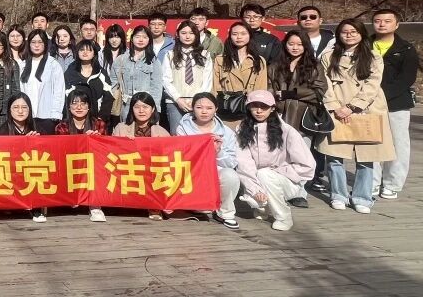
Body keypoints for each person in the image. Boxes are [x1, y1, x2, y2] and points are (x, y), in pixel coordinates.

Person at [319, 19, 395, 214]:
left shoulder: (373, 56)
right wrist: (336, 107)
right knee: (334, 155)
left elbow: (373, 84)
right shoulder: (328, 56)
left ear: (361, 34)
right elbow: (323, 83)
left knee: (366, 157)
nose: (349, 35)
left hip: (366, 109)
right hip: (336, 109)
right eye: (345, 32)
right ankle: (338, 195)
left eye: (354, 32)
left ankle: (362, 197)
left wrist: (352, 107)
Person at [236, 90, 316, 231]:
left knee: (265, 174)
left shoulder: (287, 131)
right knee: (257, 182)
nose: (259, 111)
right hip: (257, 179)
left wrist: (278, 171)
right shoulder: (242, 129)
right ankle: (264, 206)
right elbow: (244, 163)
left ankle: (284, 217)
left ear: (272, 108)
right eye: (254, 106)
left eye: (264, 107)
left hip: (287, 180)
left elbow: (307, 165)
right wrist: (255, 190)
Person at [267, 30, 327, 200]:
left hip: (302, 115)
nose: (295, 47)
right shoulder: (275, 66)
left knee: (301, 156)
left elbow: (319, 91)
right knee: (279, 155)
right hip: (279, 114)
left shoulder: (314, 66)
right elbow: (269, 87)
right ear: (285, 45)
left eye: (300, 44)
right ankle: (281, 190)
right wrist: (275, 99)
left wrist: (292, 94)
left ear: (306, 46)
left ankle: (299, 193)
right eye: (291, 44)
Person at [173, 93, 242, 229]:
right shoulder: (182, 128)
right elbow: (181, 155)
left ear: (216, 109)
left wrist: (218, 152)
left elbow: (232, 163)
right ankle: (196, 204)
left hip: (216, 169)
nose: (204, 111)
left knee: (230, 176)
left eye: (209, 108)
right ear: (192, 108)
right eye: (199, 107)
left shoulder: (226, 132)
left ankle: (225, 213)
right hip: (192, 169)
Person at [372, 8, 418, 200]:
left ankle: (392, 184)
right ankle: (371, 182)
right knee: (371, 143)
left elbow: (407, 78)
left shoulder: (406, 49)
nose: (382, 24)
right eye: (377, 21)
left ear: (397, 24)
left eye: (387, 21)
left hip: (396, 103)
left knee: (399, 144)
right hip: (368, 103)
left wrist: (384, 95)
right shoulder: (364, 46)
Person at [112, 92, 169, 220]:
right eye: (137, 107)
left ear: (152, 109)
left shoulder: (161, 132)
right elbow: (111, 153)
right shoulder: (121, 128)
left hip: (151, 173)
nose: (141, 111)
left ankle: (154, 206)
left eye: (145, 107)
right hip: (128, 170)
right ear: (131, 109)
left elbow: (169, 157)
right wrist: (124, 145)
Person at [0, 92, 45, 222]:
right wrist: (22, 144)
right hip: (11, 171)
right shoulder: (3, 130)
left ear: (30, 109)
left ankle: (36, 208)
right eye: (16, 107)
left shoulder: (38, 127)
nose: (20, 111)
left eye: (24, 107)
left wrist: (37, 143)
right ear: (9, 110)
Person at [59, 89, 108, 222]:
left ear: (89, 106)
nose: (79, 107)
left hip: (93, 164)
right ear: (69, 107)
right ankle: (73, 197)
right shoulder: (62, 126)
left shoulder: (98, 124)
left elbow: (106, 150)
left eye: (83, 103)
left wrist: (97, 140)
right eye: (75, 103)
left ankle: (95, 205)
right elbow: (61, 150)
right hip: (71, 164)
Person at [162, 21, 214, 130]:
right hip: (175, 102)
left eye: (191, 33)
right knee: (177, 134)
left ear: (196, 35)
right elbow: (165, 80)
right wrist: (178, 99)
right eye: (183, 33)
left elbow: (207, 80)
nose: (187, 36)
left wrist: (197, 100)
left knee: (197, 133)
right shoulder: (170, 55)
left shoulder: (205, 55)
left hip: (198, 102)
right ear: (177, 34)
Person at [215, 22, 268, 126]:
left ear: (250, 36)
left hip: (249, 109)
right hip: (226, 109)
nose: (239, 37)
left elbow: (261, 88)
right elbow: (215, 86)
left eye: (243, 33)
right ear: (230, 36)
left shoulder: (259, 60)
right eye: (235, 34)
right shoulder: (220, 59)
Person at [112, 26, 162, 124]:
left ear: (149, 40)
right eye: (137, 36)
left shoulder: (153, 61)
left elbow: (157, 87)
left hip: (147, 106)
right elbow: (114, 82)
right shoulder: (121, 59)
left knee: (147, 132)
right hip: (126, 106)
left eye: (145, 37)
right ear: (131, 38)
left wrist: (155, 109)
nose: (141, 40)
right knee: (127, 132)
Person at [20, 29, 65, 134]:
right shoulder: (23, 65)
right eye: (33, 42)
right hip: (27, 116)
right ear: (29, 44)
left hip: (47, 116)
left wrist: (56, 113)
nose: (36, 45)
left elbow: (59, 91)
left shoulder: (53, 64)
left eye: (40, 42)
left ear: (45, 44)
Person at [64, 40, 113, 127]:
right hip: (74, 120)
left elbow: (108, 97)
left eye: (89, 50)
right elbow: (65, 97)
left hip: (97, 120)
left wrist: (101, 118)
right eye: (82, 50)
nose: (85, 52)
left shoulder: (101, 73)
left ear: (94, 53)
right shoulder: (70, 73)